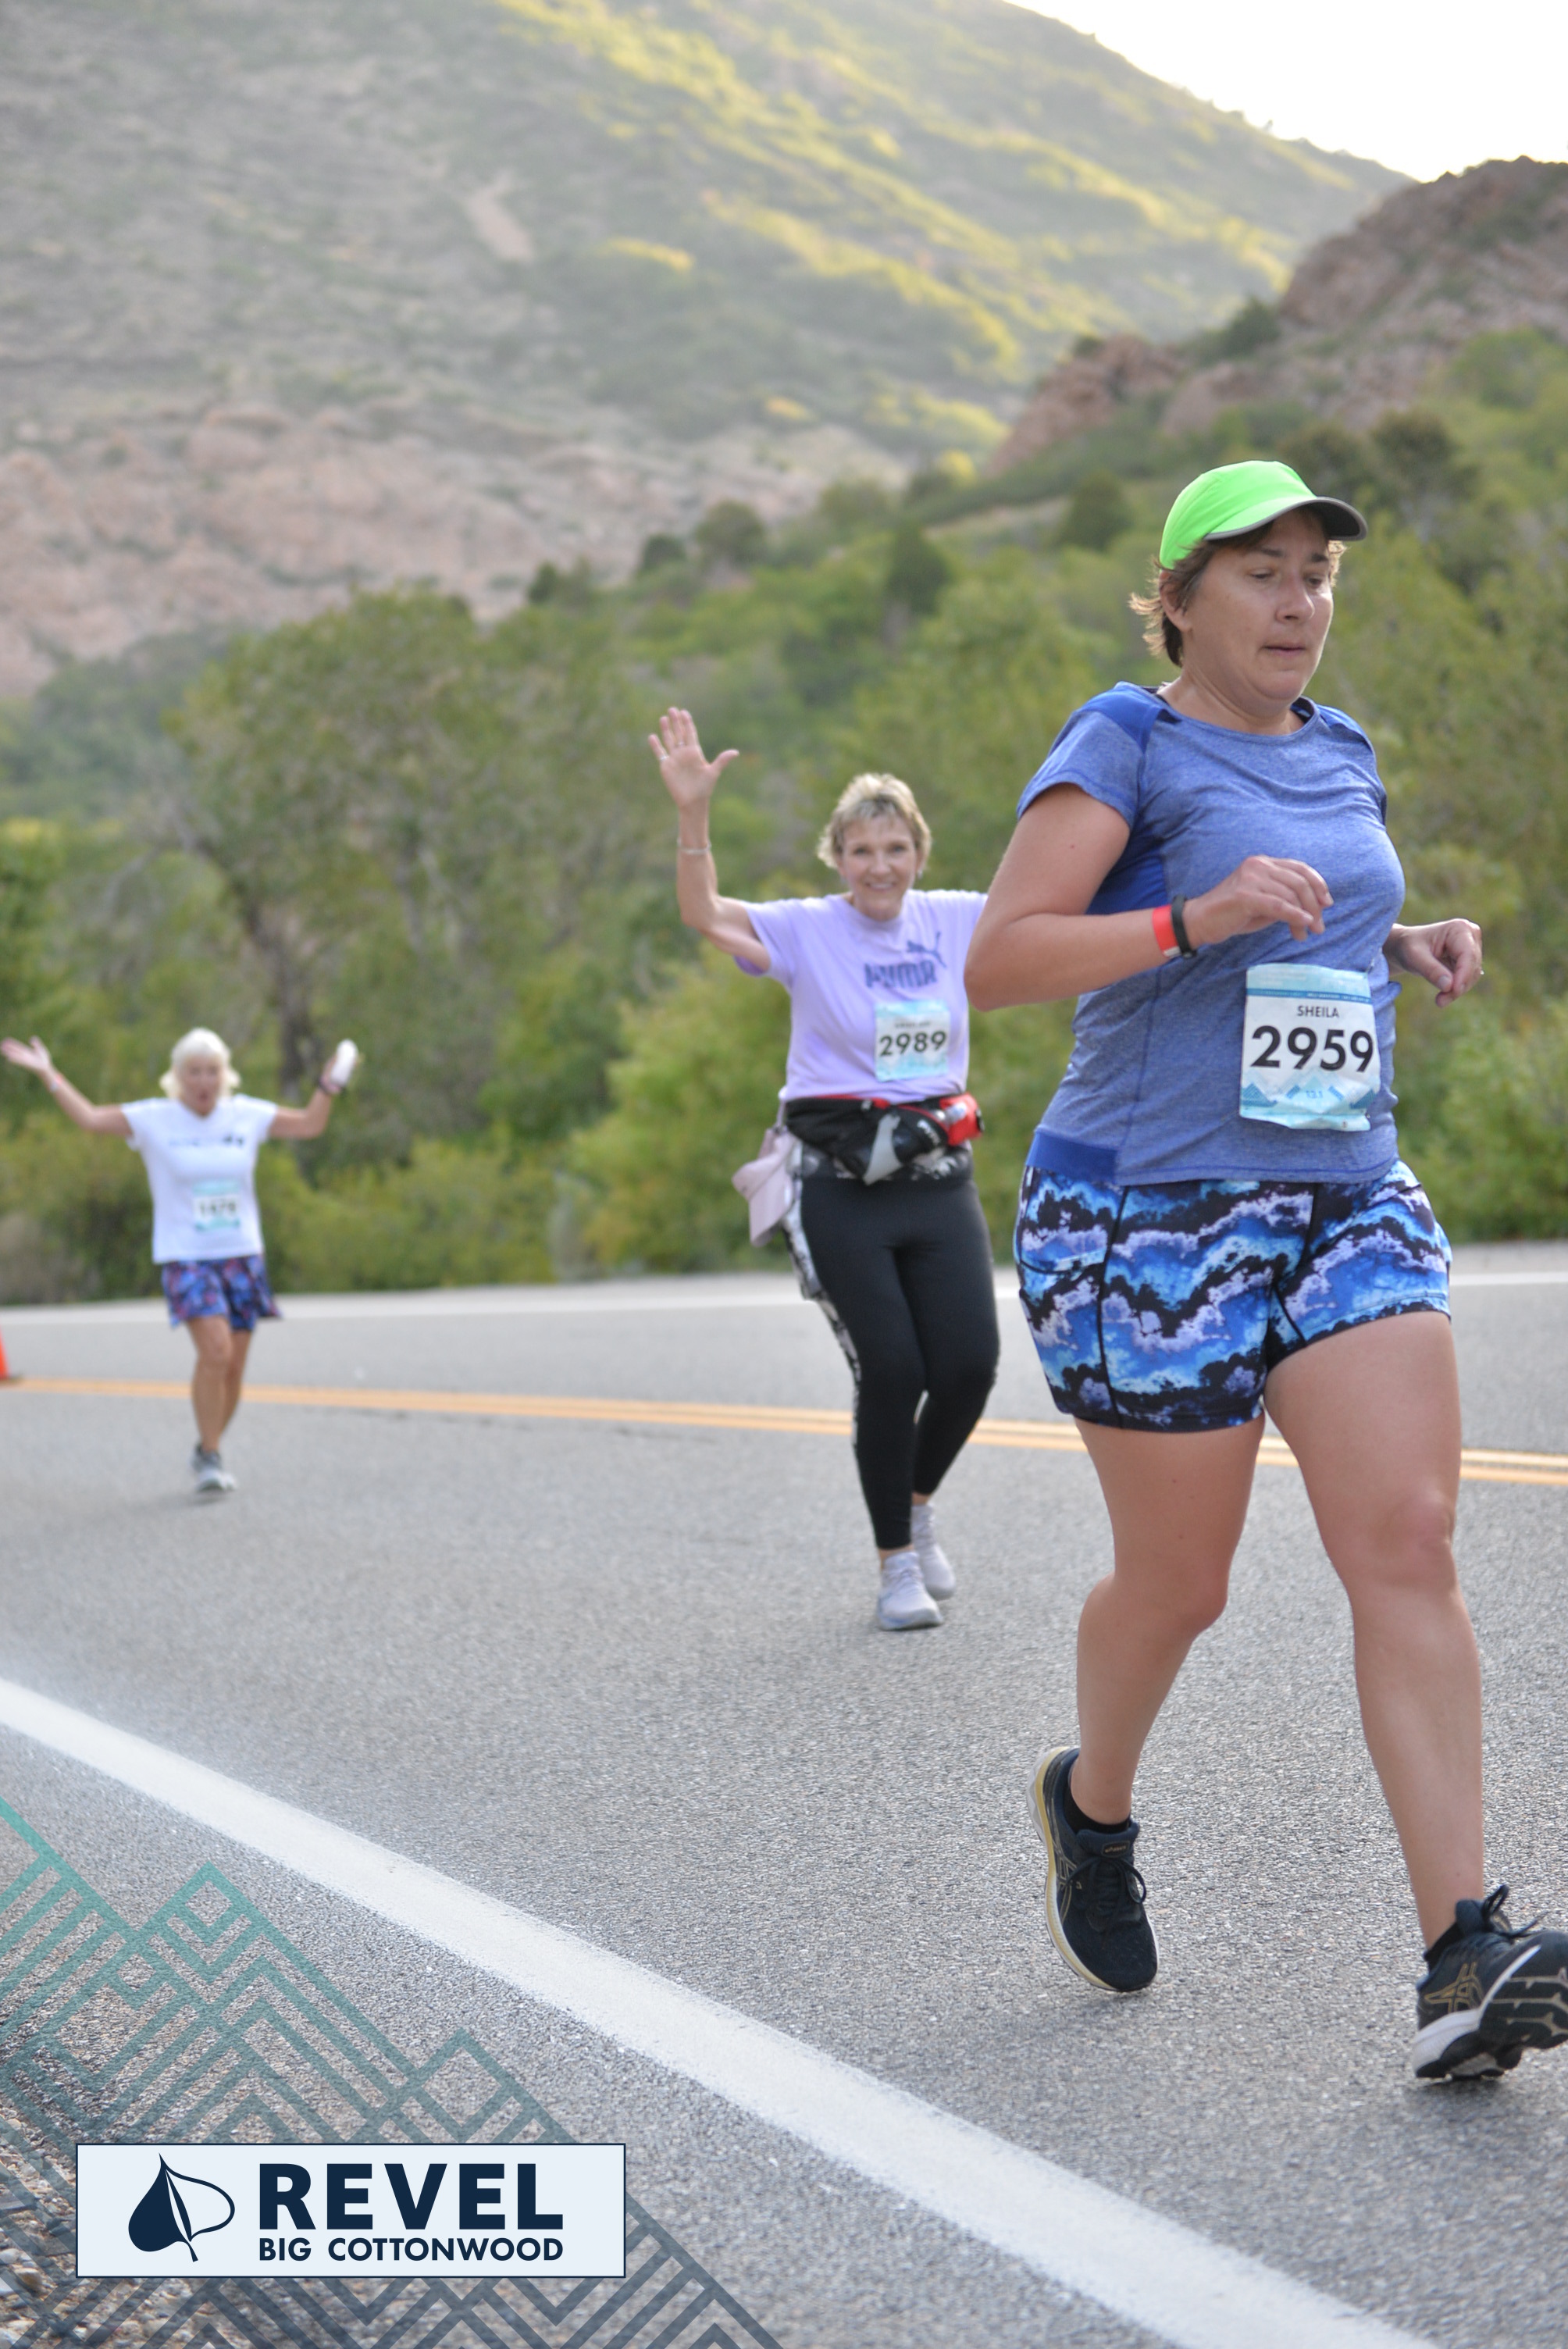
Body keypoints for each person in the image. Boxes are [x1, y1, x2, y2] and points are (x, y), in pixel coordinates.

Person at [965, 457, 1568, 2080]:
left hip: (1342, 1193)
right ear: (1174, 599)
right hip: (1149, 1215)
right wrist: (1192, 918)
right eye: (1260, 572)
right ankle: (1090, 1806)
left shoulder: (1338, 745)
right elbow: (1000, 959)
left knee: (1408, 1536)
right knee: (1181, 1584)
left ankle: (1461, 1949)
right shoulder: (1124, 740)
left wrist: (1395, 940)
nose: (1298, 601)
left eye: (1316, 573)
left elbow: (1313, 912)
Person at [650, 706, 1000, 1631]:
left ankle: (916, 1505)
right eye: (861, 850)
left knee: (968, 1366)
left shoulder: (956, 919)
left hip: (936, 1176)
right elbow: (702, 912)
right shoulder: (807, 929)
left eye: (895, 848)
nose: (879, 866)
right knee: (892, 1367)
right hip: (839, 1184)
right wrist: (692, 812)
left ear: (919, 852)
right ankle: (894, 1565)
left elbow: (1061, 912)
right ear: (837, 858)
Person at [0, 1026, 355, 1499]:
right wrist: (49, 1074)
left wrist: (329, 1085)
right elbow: (90, 1118)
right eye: (194, 1072)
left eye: (212, 1071)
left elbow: (310, 1124)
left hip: (241, 1255)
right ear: (178, 1076)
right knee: (216, 1352)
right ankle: (212, 1458)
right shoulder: (155, 1118)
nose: (203, 1081)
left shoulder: (246, 1114)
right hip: (187, 1257)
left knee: (233, 1370)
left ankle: (206, 1447)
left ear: (225, 1074)